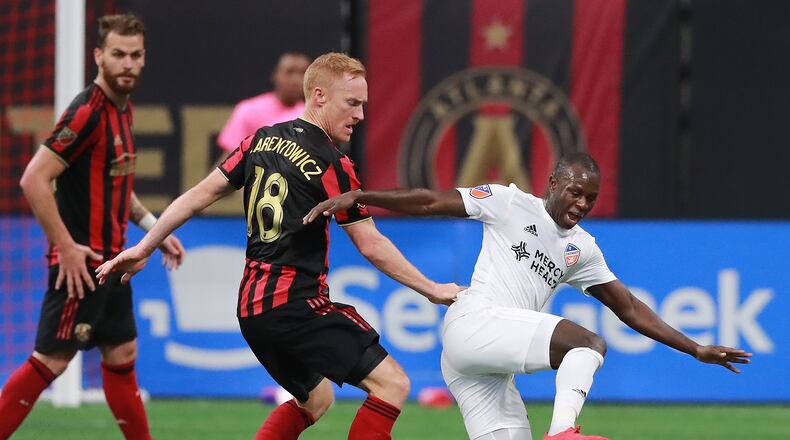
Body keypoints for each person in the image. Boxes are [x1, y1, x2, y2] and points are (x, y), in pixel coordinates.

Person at [95, 52, 461, 439]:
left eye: (363, 105)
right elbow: (370, 244)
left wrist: (145, 246)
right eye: (352, 103)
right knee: (393, 385)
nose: (360, 116)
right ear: (318, 96)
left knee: (316, 399)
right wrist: (432, 288)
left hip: (252, 309)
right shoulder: (333, 164)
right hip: (295, 305)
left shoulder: (260, 140)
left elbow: (199, 195)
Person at [303, 152, 752, 440]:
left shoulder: (583, 249)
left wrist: (695, 349)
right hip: (474, 322)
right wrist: (364, 195)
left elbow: (629, 308)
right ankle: (562, 432)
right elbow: (428, 201)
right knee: (588, 345)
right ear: (554, 182)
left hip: (480, 367)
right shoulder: (508, 202)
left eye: (590, 200)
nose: (581, 205)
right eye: (576, 192)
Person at [0, 14, 185, 440]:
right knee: (52, 359)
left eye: (135, 55)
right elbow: (34, 178)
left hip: (112, 259)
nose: (128, 64)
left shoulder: (123, 109)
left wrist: (155, 228)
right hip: (81, 263)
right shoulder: (87, 112)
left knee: (122, 353)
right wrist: (64, 246)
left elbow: (116, 180)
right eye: (118, 54)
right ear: (99, 56)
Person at [216, 52, 311, 155]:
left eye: (303, 73)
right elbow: (229, 161)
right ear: (275, 75)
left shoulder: (313, 118)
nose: (296, 80)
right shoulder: (248, 110)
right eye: (289, 72)